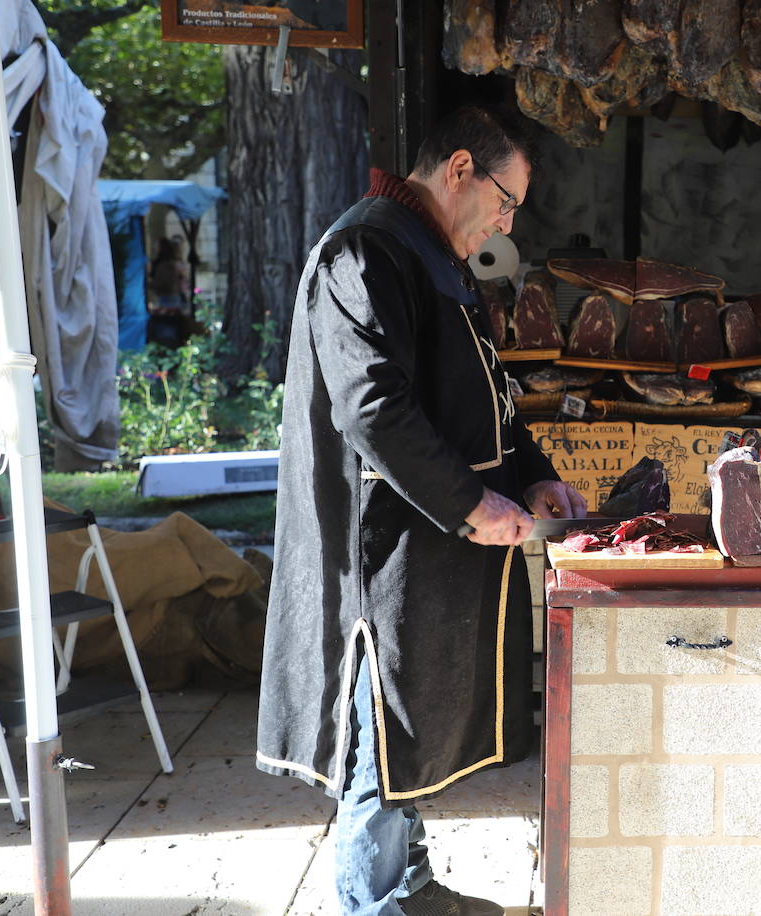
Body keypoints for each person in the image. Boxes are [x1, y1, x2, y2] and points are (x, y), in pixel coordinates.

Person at [255, 106, 586, 916]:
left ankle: (410, 883)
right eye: (507, 201)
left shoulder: (436, 258)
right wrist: (471, 503)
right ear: (461, 169)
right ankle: (369, 902)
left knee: (412, 727)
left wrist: (534, 476)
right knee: (382, 725)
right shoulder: (365, 249)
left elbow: (485, 403)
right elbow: (374, 410)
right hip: (378, 552)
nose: (509, 222)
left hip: (424, 551)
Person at [149, 236, 189, 312]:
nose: (154, 248)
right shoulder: (170, 263)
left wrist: (150, 284)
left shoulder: (168, 264)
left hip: (169, 297)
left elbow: (166, 283)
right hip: (169, 296)